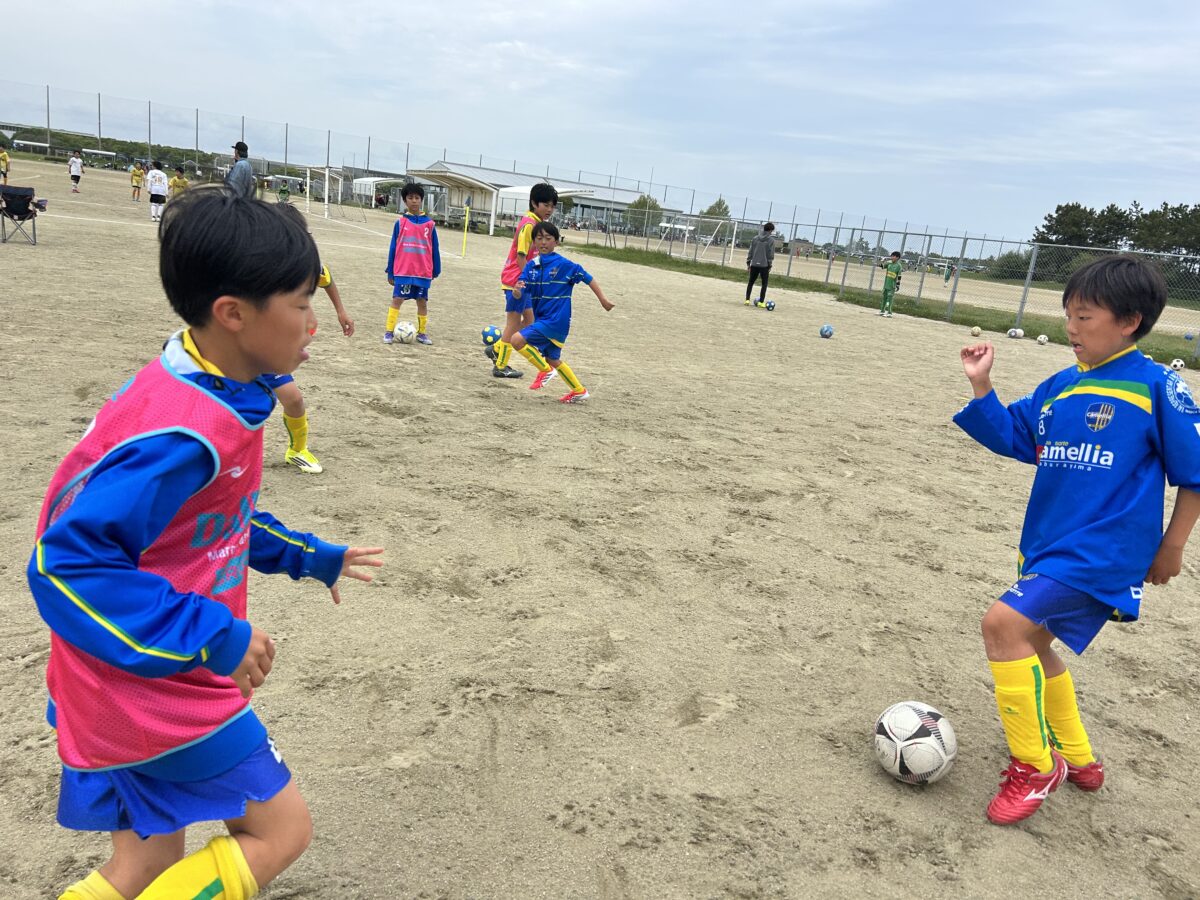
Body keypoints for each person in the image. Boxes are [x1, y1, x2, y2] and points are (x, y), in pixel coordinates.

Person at [29, 187, 384, 899]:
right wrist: (215, 634)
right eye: (301, 304)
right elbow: (65, 565)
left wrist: (307, 555)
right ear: (233, 314)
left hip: (111, 676)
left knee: (146, 865)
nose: (315, 323)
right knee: (281, 832)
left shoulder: (207, 380)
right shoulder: (184, 432)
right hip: (151, 684)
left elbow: (214, 517)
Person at [953, 255, 1200, 826]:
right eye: (1068, 315)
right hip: (1049, 545)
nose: (1070, 327)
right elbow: (1016, 436)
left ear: (1129, 321)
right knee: (1035, 643)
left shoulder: (1158, 385)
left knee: (1002, 626)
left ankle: (1034, 767)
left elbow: (1195, 472)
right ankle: (1078, 756)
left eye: (1084, 316)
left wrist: (1173, 545)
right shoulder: (1062, 386)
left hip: (1105, 550)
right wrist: (982, 385)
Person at [510, 221, 614, 403]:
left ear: (556, 242)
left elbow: (587, 278)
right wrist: (517, 291)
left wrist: (603, 300)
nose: (543, 242)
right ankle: (579, 390)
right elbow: (520, 291)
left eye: (548, 238)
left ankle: (545, 371)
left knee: (516, 340)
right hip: (543, 319)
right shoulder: (531, 266)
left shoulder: (564, 265)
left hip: (556, 320)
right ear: (534, 242)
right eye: (539, 238)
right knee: (552, 358)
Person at [269, 263, 355, 474]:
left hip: (269, 349)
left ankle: (297, 451)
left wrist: (341, 311)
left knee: (294, 400)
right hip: (238, 346)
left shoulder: (301, 259)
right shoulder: (253, 260)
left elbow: (326, 277)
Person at [489, 182, 559, 378]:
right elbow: (521, 256)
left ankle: (496, 348)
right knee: (513, 323)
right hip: (517, 281)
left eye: (552, 206)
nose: (549, 210)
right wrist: (528, 280)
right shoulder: (529, 225)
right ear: (534, 203)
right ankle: (500, 365)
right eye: (546, 205)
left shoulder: (535, 224)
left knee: (529, 320)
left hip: (521, 280)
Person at [384, 183, 440, 346]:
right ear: (404, 200)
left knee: (422, 301)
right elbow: (393, 247)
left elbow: (435, 248)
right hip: (403, 270)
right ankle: (389, 331)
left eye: (417, 198)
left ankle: (422, 333)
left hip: (422, 271)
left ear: (421, 200)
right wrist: (390, 271)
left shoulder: (430, 225)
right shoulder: (400, 223)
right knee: (397, 299)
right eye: (410, 198)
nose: (414, 201)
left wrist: (435, 269)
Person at [745, 222, 775, 307]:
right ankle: (761, 302)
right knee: (764, 284)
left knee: (751, 282)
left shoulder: (755, 238)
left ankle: (747, 300)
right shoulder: (771, 240)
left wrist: (748, 263)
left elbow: (751, 251)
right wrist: (769, 265)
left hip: (754, 264)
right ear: (770, 230)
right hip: (764, 265)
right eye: (772, 231)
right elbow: (770, 254)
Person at [879, 251, 902, 317]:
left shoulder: (898, 266)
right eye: (891, 256)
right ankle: (882, 311)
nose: (892, 257)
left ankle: (889, 312)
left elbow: (899, 276)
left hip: (892, 285)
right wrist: (883, 261)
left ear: (897, 258)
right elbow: (882, 266)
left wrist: (898, 285)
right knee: (884, 298)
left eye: (893, 256)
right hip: (886, 284)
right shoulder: (889, 263)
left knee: (889, 299)